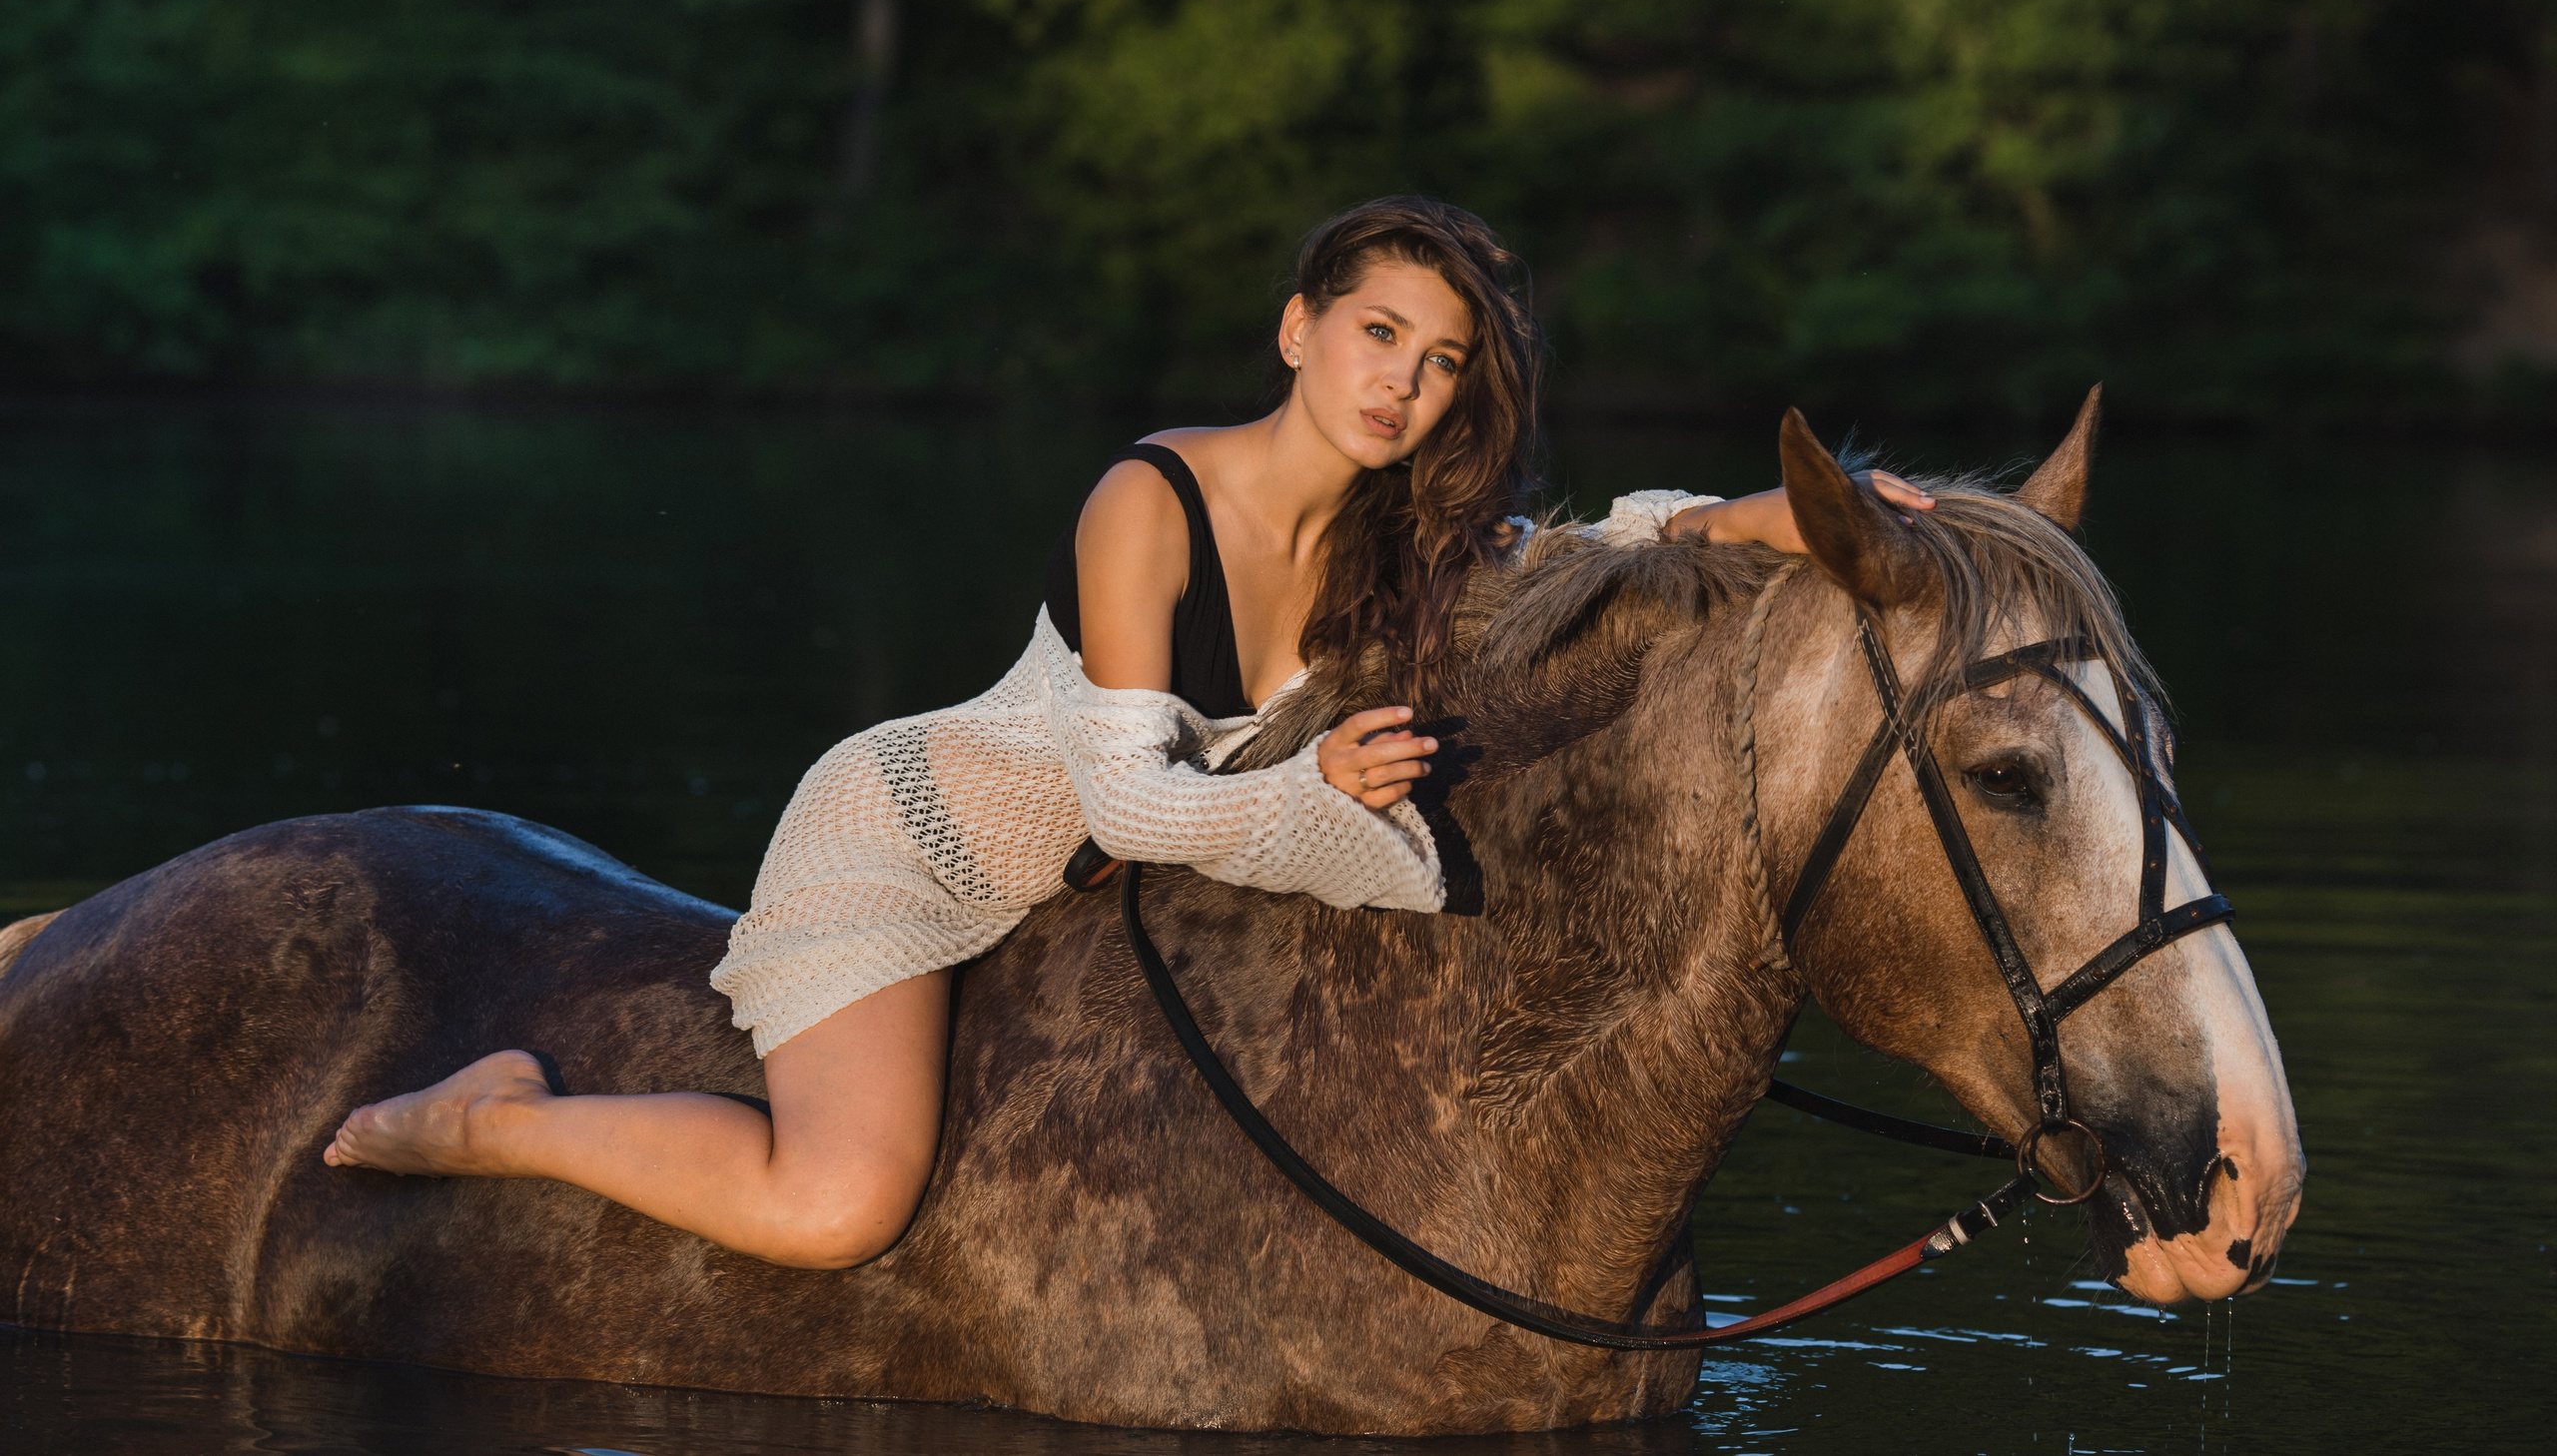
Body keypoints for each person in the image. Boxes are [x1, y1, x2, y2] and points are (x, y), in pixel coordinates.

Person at [322, 196, 1931, 1269]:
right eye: (1379, 333)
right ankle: (495, 1120)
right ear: (1297, 329)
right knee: (838, 1205)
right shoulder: (1147, 500)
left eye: (1443, 362)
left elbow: (1581, 555)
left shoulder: (1403, 538)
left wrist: (1777, 517)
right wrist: (1319, 788)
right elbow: (1131, 797)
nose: (1406, 383)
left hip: (1099, 895)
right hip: (914, 847)